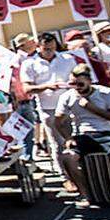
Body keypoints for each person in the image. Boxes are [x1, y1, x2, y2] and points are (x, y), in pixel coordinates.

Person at [56, 64, 110, 205]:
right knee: (67, 158)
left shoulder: (105, 92)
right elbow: (59, 122)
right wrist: (68, 138)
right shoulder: (67, 96)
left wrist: (92, 108)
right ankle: (83, 192)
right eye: (72, 84)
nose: (76, 87)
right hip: (83, 136)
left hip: (106, 134)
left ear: (90, 82)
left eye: (80, 84)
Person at [20, 32, 79, 179]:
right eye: (46, 49)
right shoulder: (29, 64)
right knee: (58, 143)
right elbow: (27, 88)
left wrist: (74, 83)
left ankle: (81, 169)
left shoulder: (67, 59)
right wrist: (47, 86)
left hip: (72, 106)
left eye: (53, 48)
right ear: (38, 47)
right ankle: (65, 175)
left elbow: (80, 78)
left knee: (76, 140)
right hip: (49, 108)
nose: (50, 51)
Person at [11, 33, 41, 162]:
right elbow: (15, 81)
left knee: (28, 129)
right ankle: (25, 156)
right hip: (23, 98)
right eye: (30, 42)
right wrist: (17, 97)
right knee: (25, 129)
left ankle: (28, 156)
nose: (34, 43)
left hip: (27, 97)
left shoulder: (29, 58)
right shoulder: (18, 60)